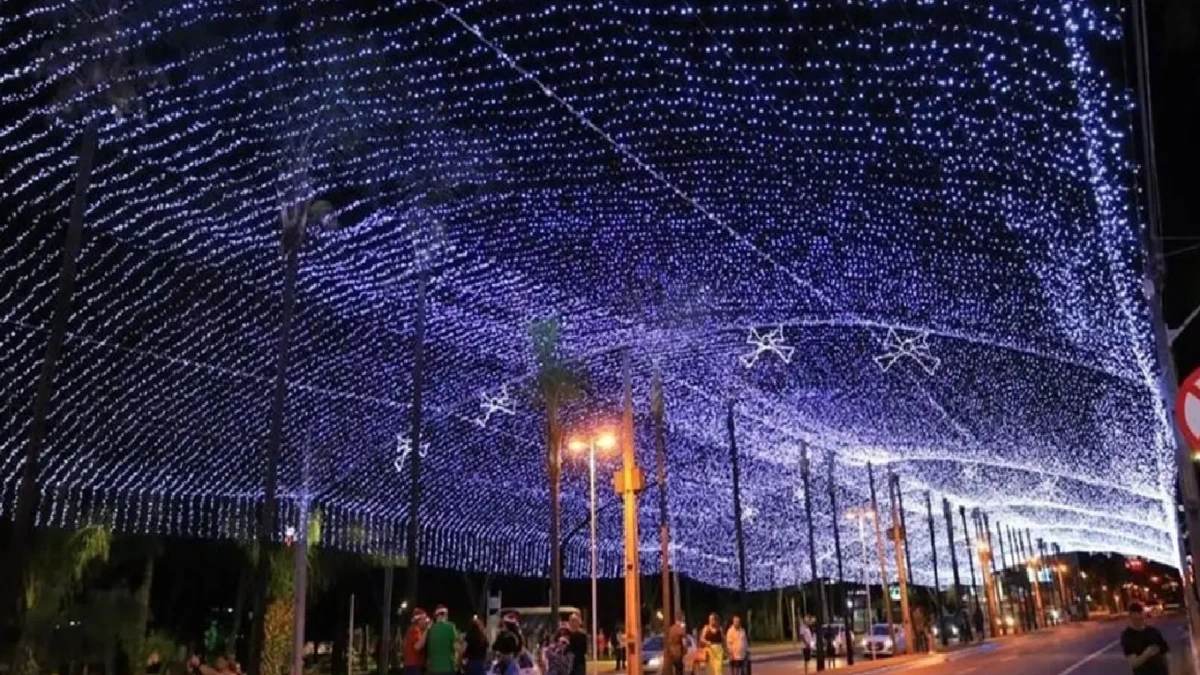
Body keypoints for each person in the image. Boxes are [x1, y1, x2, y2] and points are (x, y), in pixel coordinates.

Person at [1122, 602, 1169, 675]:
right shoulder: (1128, 636)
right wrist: (1147, 653)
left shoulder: (1153, 632)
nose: (1138, 618)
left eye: (1140, 614)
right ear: (1130, 616)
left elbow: (1165, 655)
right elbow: (1134, 663)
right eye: (1135, 615)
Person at [426, 606, 458, 675]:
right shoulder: (450, 626)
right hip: (448, 667)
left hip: (433, 668)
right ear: (444, 614)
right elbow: (456, 647)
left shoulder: (430, 629)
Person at [403, 608, 431, 675]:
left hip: (413, 665)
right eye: (424, 619)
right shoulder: (414, 630)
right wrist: (427, 630)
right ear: (419, 620)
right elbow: (417, 647)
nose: (425, 622)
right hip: (413, 666)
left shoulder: (414, 630)